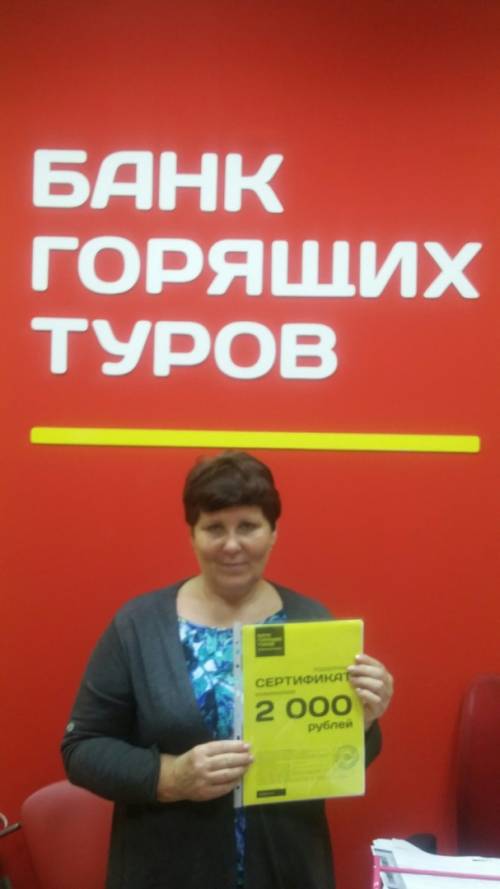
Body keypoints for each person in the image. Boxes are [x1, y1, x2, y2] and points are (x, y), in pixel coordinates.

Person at [61, 451, 393, 889]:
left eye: (248, 526)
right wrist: (169, 777)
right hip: (167, 869)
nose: (232, 544)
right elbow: (82, 749)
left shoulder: (311, 622)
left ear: (273, 533)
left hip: (287, 869)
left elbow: (342, 761)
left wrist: (362, 721)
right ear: (192, 535)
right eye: (214, 527)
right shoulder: (138, 627)